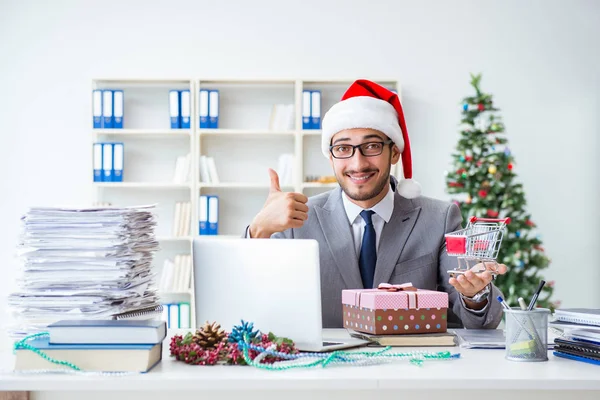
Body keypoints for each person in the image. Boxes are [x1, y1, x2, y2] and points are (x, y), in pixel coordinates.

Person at [246, 79, 507, 329]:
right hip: (324, 367)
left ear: (394, 152)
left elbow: (479, 323)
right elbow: (252, 299)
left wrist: (475, 296)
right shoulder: (297, 219)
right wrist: (258, 231)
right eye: (344, 148)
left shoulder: (439, 218)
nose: (358, 164)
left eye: (371, 146)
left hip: (411, 365)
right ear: (331, 157)